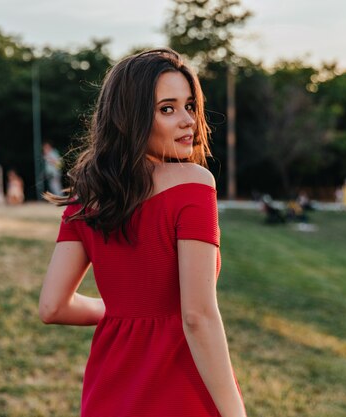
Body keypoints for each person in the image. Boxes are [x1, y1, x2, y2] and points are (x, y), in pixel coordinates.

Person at [38, 49, 246, 417]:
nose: (188, 122)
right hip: (180, 395)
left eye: (190, 106)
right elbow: (197, 316)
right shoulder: (194, 183)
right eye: (167, 109)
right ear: (130, 118)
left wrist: (123, 312)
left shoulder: (86, 196)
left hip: (108, 393)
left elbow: (53, 306)